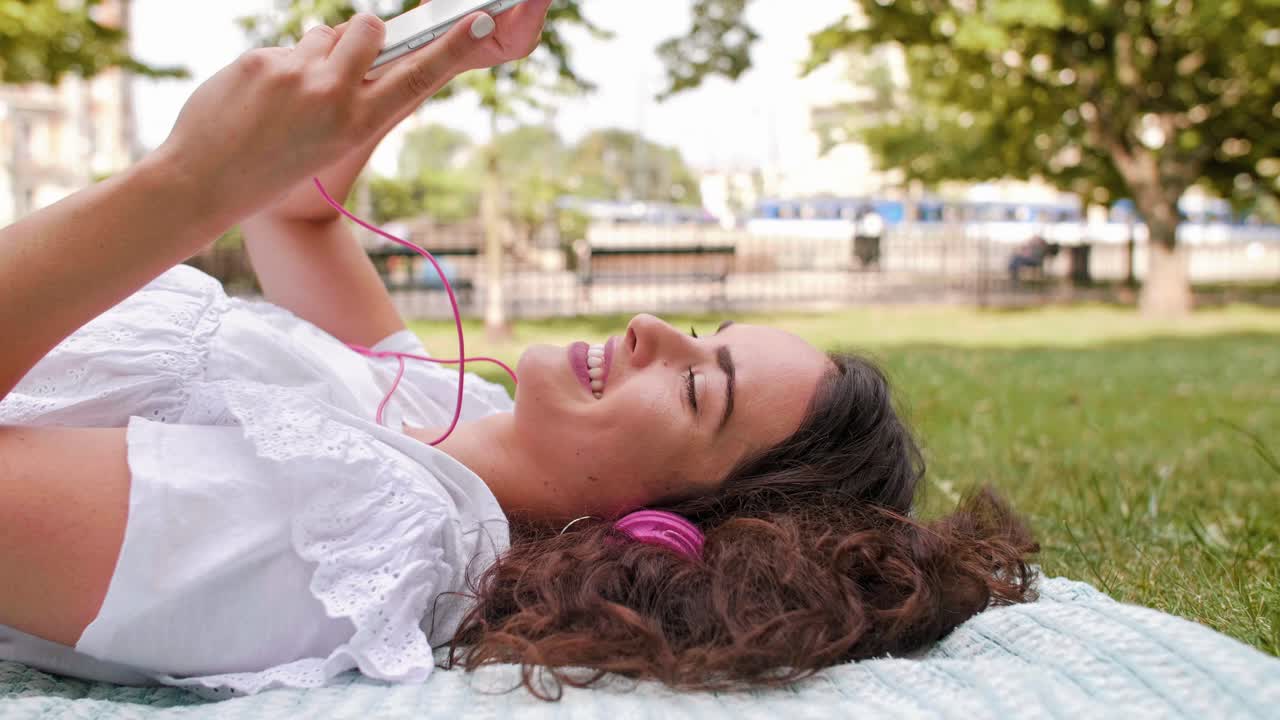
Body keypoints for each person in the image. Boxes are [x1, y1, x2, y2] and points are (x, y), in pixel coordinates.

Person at [0, 1, 1037, 702]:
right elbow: (298, 221)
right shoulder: (445, 416)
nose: (649, 329)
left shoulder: (361, 544)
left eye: (691, 387)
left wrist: (185, 186)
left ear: (657, 531)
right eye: (701, 332)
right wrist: (442, 50)